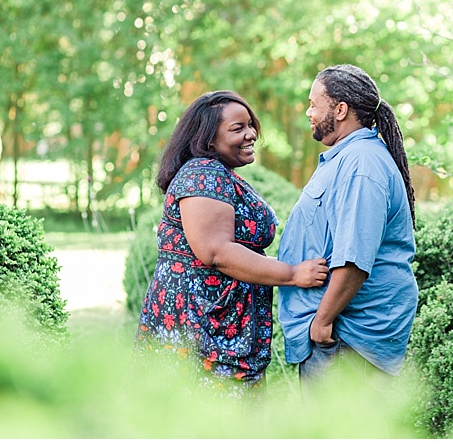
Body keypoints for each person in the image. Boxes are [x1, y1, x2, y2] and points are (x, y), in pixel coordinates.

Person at [137, 90, 329, 388]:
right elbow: (216, 252)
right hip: (201, 330)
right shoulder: (203, 175)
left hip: (217, 327)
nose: (251, 134)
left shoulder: (220, 174)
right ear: (208, 139)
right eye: (238, 128)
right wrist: (292, 274)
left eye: (251, 125)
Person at [278, 64, 419, 381]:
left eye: (314, 104)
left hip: (346, 340)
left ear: (340, 109)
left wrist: (322, 321)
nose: (308, 112)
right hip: (340, 339)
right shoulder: (348, 158)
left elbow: (354, 257)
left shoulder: (361, 164)